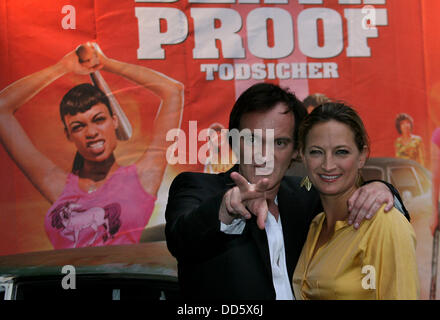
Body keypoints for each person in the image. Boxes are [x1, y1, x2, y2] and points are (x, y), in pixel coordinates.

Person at [165, 83, 408, 300]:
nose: (264, 155)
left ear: (296, 151)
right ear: (233, 142)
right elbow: (181, 239)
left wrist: (382, 189)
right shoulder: (197, 188)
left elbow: (354, 201)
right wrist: (226, 209)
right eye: (252, 140)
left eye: (279, 142)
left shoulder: (306, 197)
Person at [0, 42, 184, 249]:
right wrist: (61, 68)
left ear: (114, 121)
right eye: (78, 126)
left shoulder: (144, 177)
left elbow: (172, 91)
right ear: (68, 135)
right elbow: (2, 108)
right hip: (66, 281)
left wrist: (106, 64)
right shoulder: (58, 185)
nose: (92, 133)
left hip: (120, 280)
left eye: (98, 120)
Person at [292, 103, 419, 299]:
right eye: (316, 151)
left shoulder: (384, 223)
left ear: (362, 156)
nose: (328, 165)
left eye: (341, 152)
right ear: (303, 156)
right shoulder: (315, 225)